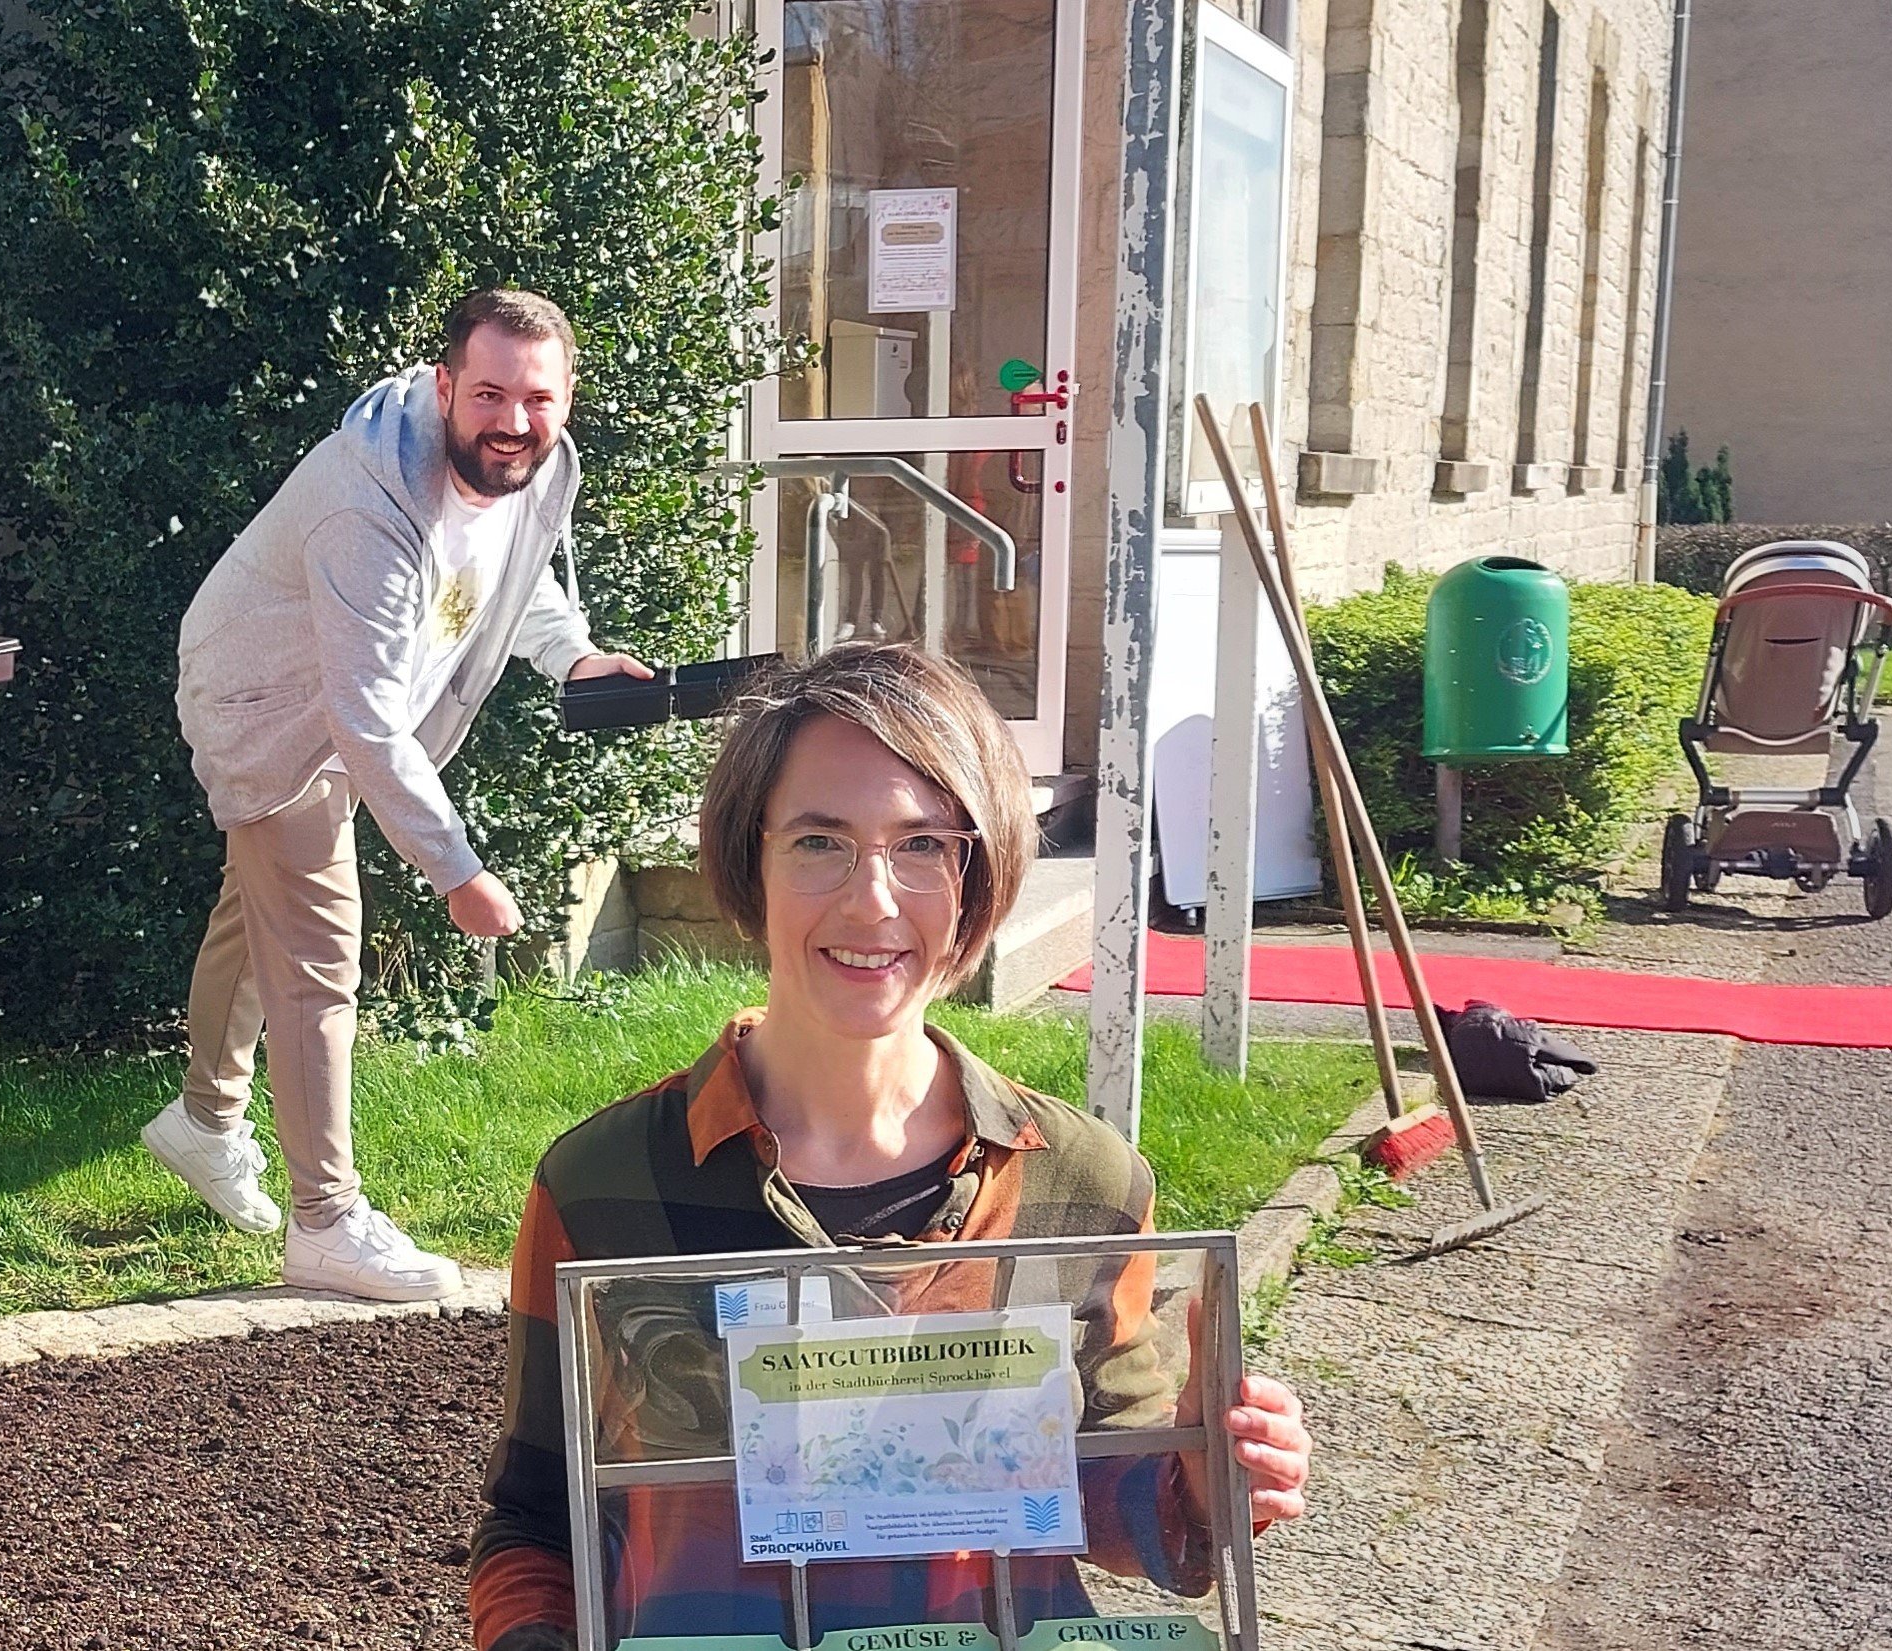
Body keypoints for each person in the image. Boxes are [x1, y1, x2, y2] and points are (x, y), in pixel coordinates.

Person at [465, 643, 1316, 1649]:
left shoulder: (1086, 1181)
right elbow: (534, 1520)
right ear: (753, 858)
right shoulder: (604, 1183)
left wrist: (1219, 1474)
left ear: (977, 876)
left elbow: (1132, 1509)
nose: (872, 900)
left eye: (923, 846)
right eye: (820, 841)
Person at [146, 290, 657, 1302]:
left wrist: (574, 658)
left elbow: (512, 576)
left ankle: (202, 1121)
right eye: (489, 394)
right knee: (319, 957)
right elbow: (366, 722)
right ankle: (327, 1220)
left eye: (537, 398)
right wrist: (456, 869)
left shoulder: (532, 466)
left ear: (567, 397)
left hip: (333, 703)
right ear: (442, 387)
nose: (513, 420)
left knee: (260, 917)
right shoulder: (369, 504)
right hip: (267, 706)